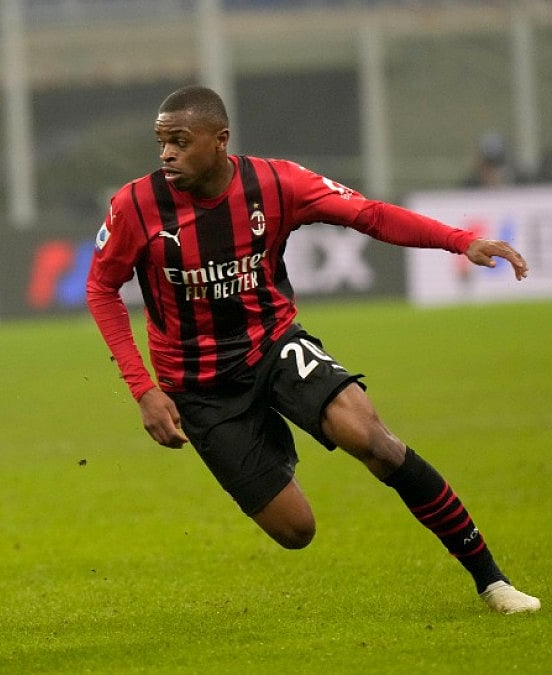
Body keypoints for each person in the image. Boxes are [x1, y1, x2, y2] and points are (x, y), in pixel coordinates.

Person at [86, 85, 540, 615]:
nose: (166, 154)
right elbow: (101, 288)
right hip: (199, 387)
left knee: (376, 442)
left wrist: (459, 240)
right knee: (296, 531)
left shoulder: (278, 183)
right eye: (162, 142)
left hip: (273, 345)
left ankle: (492, 582)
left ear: (220, 141)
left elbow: (368, 214)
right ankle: (263, 441)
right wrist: (144, 390)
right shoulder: (136, 205)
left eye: (180, 141)